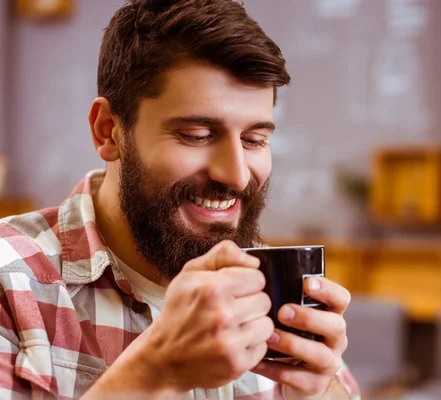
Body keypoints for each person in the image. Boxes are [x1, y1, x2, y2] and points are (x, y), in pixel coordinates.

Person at [0, 0, 361, 399]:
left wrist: (318, 389)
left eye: (254, 140)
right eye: (196, 135)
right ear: (108, 131)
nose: (237, 175)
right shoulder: (11, 283)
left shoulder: (271, 282)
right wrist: (157, 370)